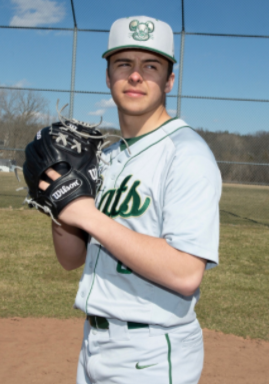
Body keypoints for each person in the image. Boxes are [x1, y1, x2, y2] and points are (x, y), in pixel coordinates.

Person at [40, 16, 222, 384]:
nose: (135, 75)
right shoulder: (107, 158)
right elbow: (71, 260)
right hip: (94, 343)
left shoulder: (186, 153)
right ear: (108, 77)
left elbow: (187, 273)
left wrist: (88, 216)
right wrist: (60, 209)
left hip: (151, 352)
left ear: (169, 80)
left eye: (150, 66)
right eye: (124, 64)